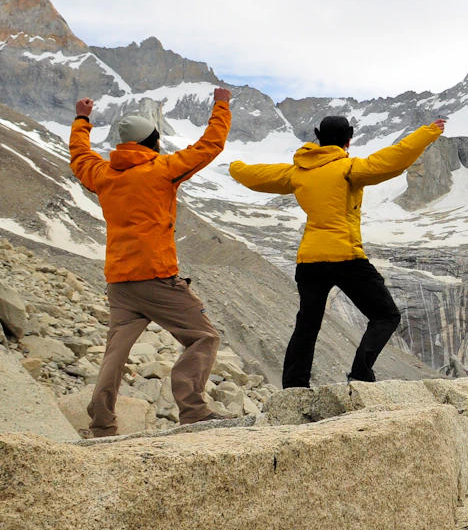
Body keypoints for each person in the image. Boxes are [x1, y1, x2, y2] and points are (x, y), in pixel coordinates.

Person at [229, 115, 445, 388]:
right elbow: (395, 158)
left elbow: (256, 176)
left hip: (309, 260)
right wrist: (428, 132)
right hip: (345, 256)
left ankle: (294, 386)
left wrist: (235, 166)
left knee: (308, 324)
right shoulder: (350, 168)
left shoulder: (297, 172)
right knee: (385, 315)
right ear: (349, 139)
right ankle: (360, 374)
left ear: (318, 136)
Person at [70, 88, 232, 437]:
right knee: (203, 336)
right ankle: (193, 409)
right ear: (154, 141)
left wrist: (82, 121)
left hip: (119, 280)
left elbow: (79, 158)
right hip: (157, 277)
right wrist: (221, 106)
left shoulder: (103, 174)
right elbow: (209, 146)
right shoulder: (162, 169)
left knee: (116, 352)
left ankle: (101, 422)